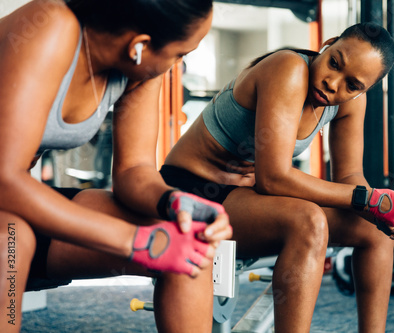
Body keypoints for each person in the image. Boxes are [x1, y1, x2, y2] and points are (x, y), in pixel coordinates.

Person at [162, 22, 394, 333]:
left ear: (364, 90)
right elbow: (273, 178)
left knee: (376, 228)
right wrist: (370, 199)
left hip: (245, 196)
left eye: (353, 84)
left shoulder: (350, 102)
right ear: (328, 44)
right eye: (334, 63)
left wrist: (386, 211)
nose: (333, 83)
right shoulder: (288, 68)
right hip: (190, 189)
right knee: (308, 221)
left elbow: (350, 176)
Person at [0, 1, 233, 332]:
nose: (180, 63)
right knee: (10, 241)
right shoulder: (52, 25)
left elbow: (133, 170)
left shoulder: (141, 69)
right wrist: (136, 241)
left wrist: (172, 201)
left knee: (188, 244)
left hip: (17, 196)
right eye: (181, 53)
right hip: (8, 196)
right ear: (140, 45)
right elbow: (5, 181)